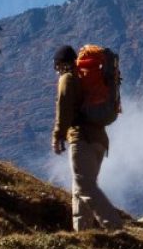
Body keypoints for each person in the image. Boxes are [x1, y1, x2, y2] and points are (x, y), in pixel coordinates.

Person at [52, 44, 123, 231]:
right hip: (99, 141)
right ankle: (82, 232)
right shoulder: (85, 79)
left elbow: (64, 110)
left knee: (84, 185)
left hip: (81, 139)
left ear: (60, 64)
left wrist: (58, 136)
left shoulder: (67, 78)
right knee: (80, 187)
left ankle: (115, 227)